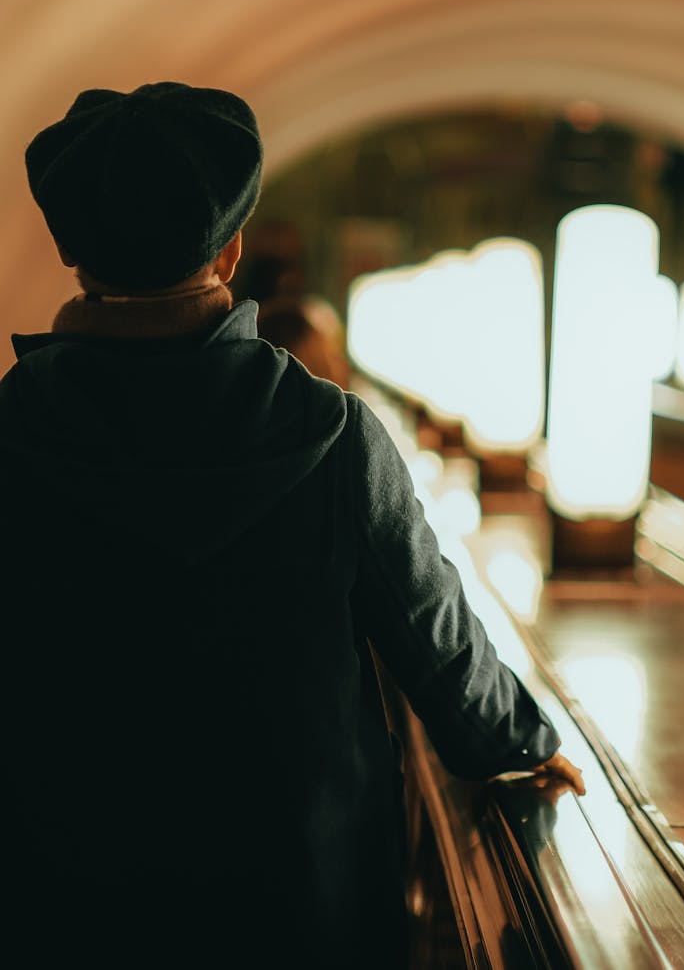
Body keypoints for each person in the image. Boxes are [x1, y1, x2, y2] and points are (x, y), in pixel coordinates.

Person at [1, 82, 584, 968]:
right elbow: (441, 649)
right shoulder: (332, 431)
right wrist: (526, 741)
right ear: (230, 252)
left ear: (71, 251)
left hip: (61, 911)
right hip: (303, 913)